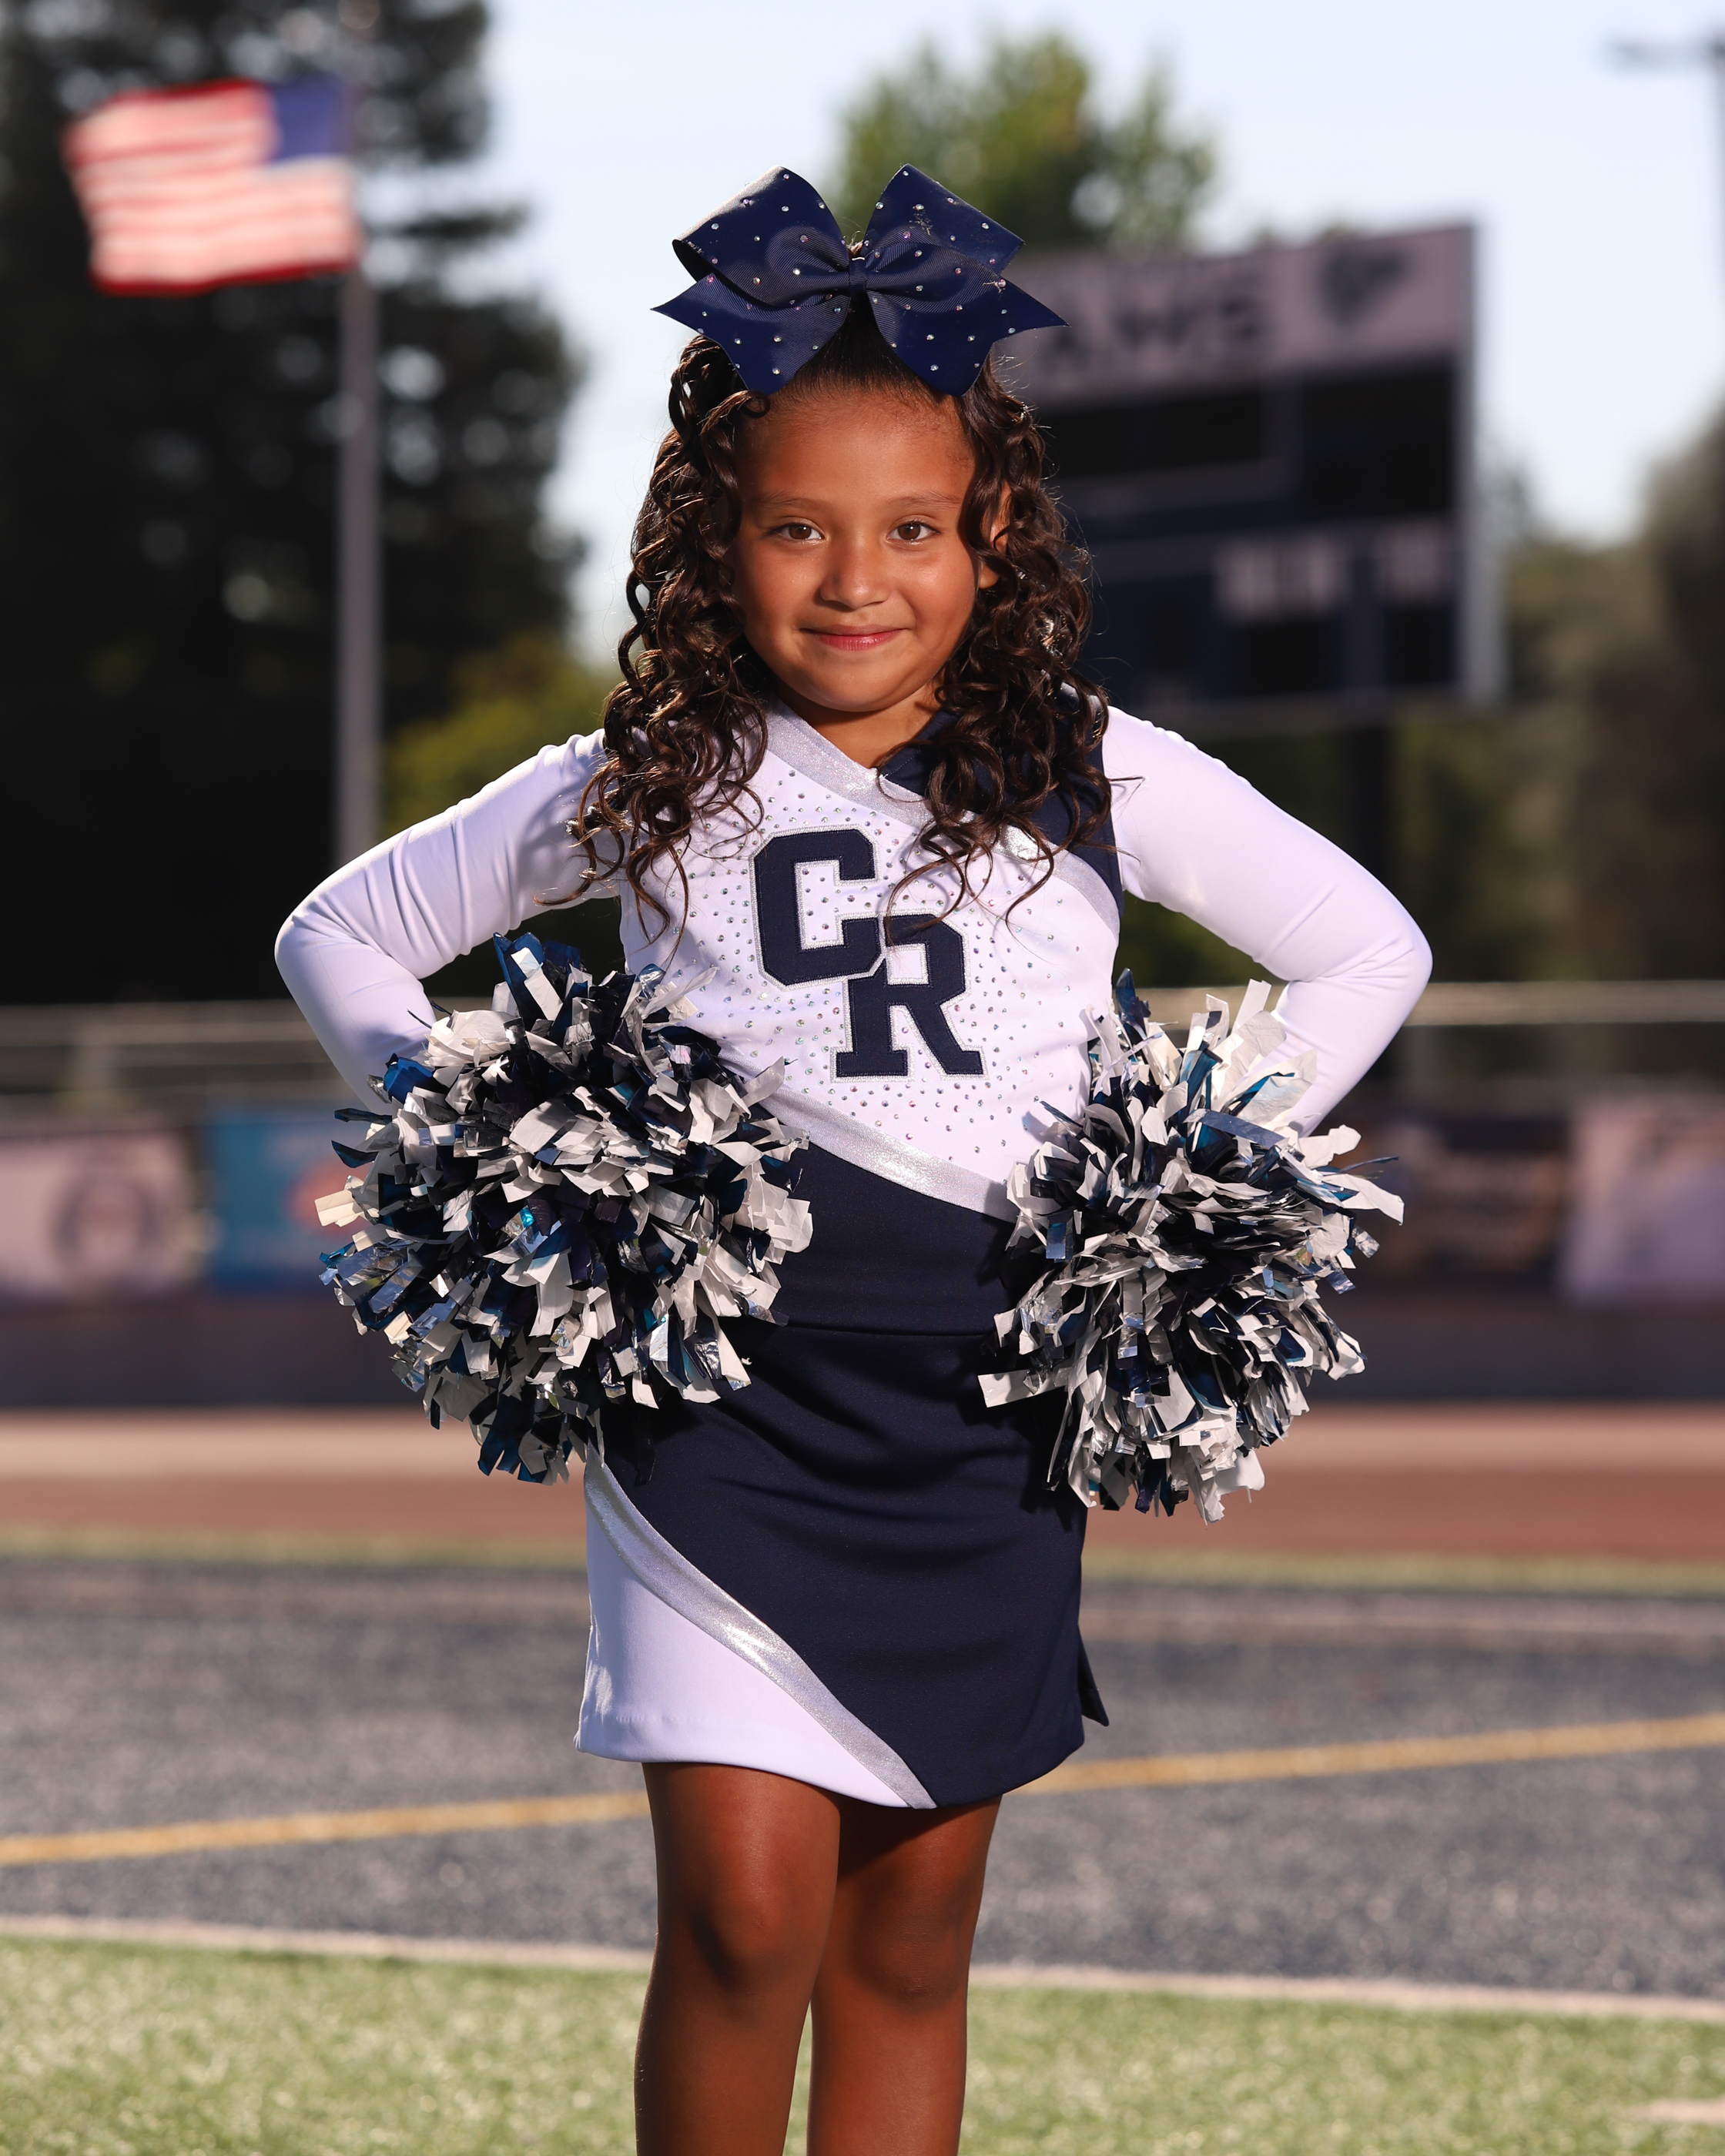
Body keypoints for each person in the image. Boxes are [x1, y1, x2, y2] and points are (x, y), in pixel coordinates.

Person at [277, 166, 1431, 2156]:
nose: (853, 578)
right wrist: (499, 1130)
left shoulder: (1091, 764)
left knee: (907, 1943)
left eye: (914, 528)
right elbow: (344, 931)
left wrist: (1196, 1167)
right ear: (712, 543)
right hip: (726, 1407)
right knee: (741, 1919)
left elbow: (1366, 948)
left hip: (984, 1413)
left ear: (994, 540)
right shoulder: (648, 776)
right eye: (795, 527)